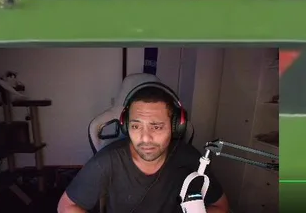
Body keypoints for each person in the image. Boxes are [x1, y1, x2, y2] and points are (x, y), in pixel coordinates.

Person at [58, 83, 230, 213]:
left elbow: (220, 206)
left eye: (156, 127)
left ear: (176, 127)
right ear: (126, 126)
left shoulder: (190, 159)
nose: (145, 138)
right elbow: (66, 206)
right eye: (136, 126)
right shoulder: (107, 161)